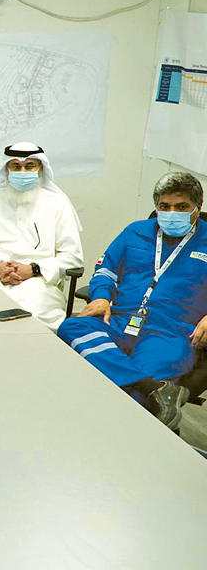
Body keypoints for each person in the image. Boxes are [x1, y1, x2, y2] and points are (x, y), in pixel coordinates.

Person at [58, 171, 207, 430]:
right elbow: (105, 270)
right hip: (119, 321)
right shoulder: (135, 232)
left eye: (181, 207)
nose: (172, 213)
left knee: (133, 403)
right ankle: (153, 387)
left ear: (198, 207)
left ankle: (134, 405)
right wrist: (101, 297)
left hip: (169, 334)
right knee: (71, 326)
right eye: (164, 207)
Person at [0, 142, 84, 330]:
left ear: (40, 168)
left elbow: (73, 257)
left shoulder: (58, 202)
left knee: (33, 314)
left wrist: (33, 269)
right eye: (16, 166)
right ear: (6, 168)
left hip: (38, 280)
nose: (22, 171)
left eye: (29, 165)